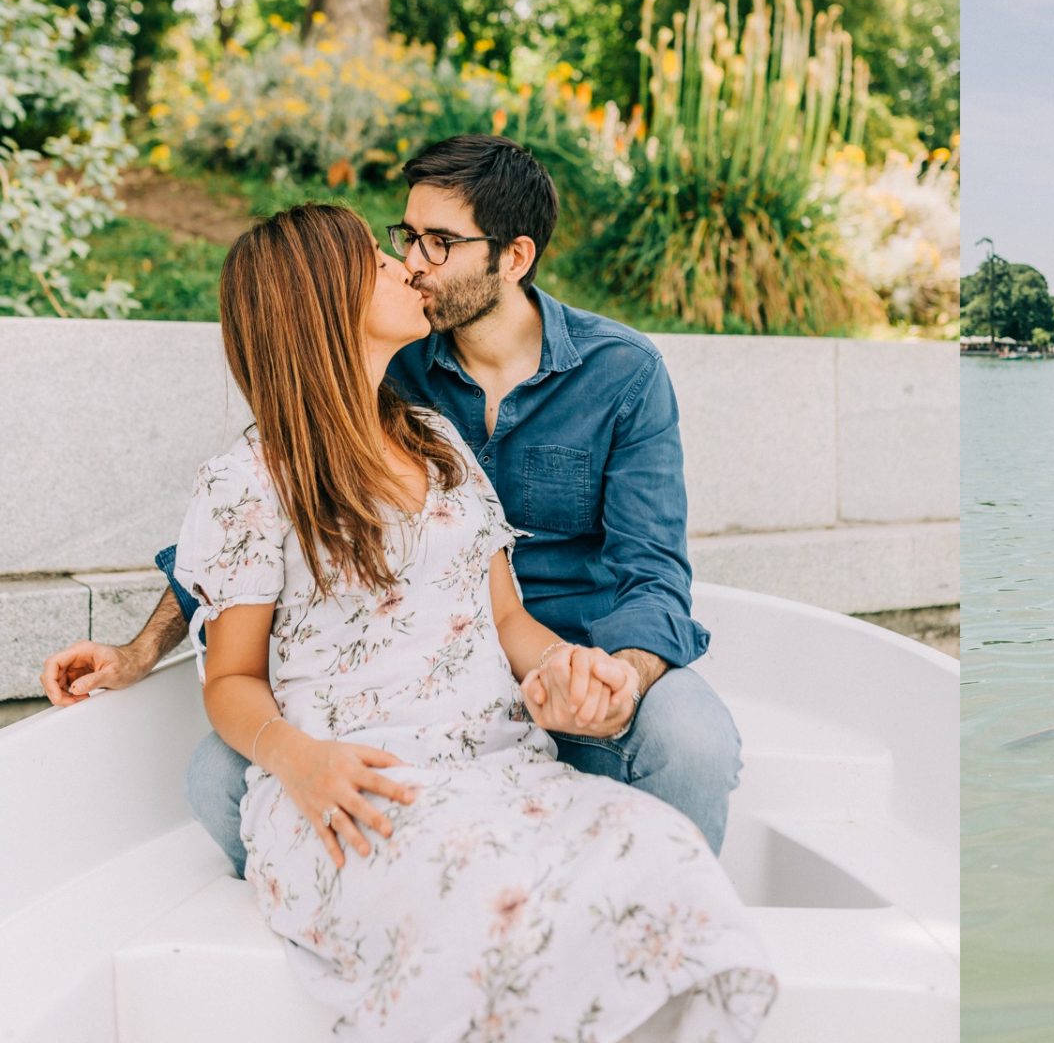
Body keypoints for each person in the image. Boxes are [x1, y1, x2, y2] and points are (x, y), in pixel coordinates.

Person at [42, 135, 740, 876]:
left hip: (562, 655)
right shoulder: (383, 354)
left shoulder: (621, 374)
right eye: (406, 238)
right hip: (393, 693)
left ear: (514, 258)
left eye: (439, 243)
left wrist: (613, 680)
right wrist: (141, 650)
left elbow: (652, 572)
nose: (411, 263)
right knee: (220, 776)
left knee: (692, 738)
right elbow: (255, 522)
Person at [174, 203, 774, 1040]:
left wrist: (575, 667)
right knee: (495, 902)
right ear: (325, 303)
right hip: (362, 789)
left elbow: (506, 618)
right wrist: (299, 762)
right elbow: (230, 679)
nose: (406, 267)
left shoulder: (434, 441)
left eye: (423, 248)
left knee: (662, 855)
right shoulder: (247, 481)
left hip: (499, 767)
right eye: (381, 262)